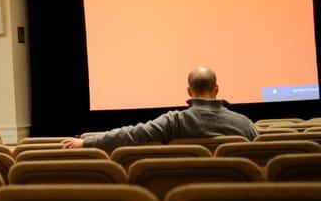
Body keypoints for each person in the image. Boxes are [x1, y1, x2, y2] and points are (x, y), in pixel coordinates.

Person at [62, 67, 258, 153]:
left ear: (189, 91)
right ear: (216, 89)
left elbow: (130, 135)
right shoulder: (244, 124)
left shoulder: (174, 122)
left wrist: (86, 143)